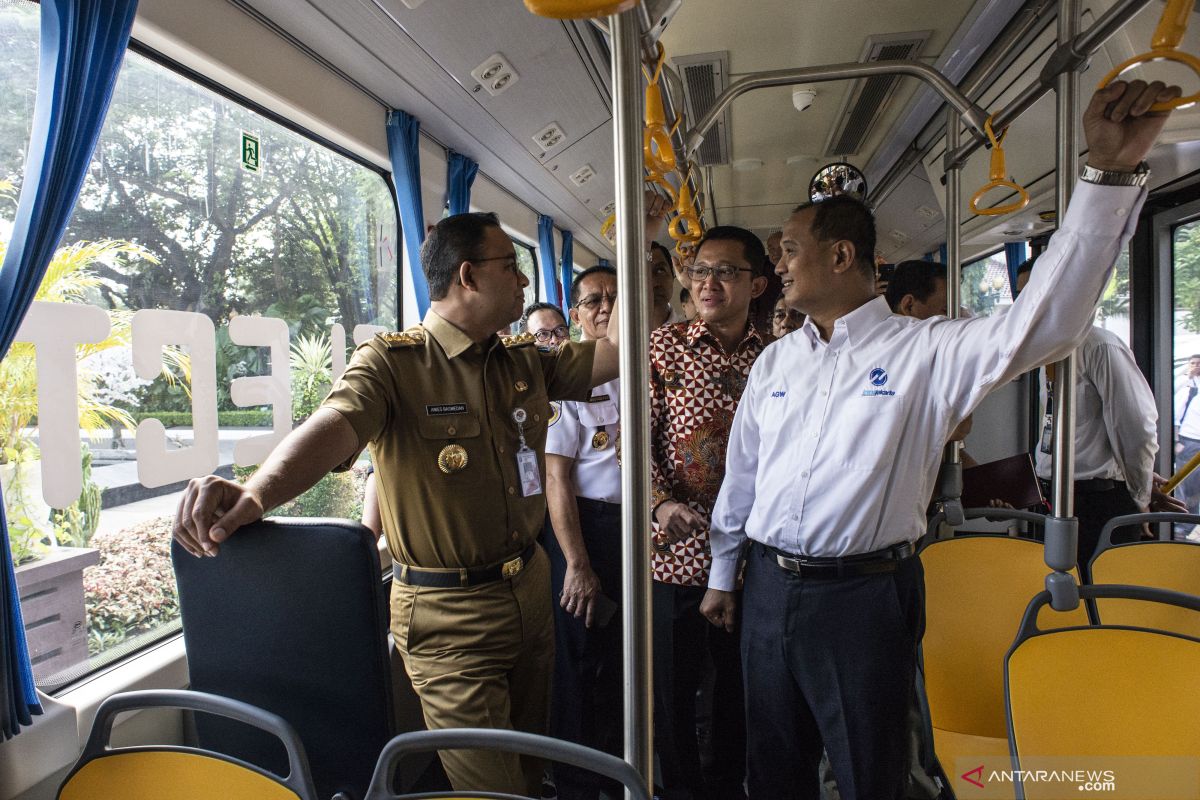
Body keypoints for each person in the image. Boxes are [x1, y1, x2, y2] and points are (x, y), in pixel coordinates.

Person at [699, 80, 1180, 800]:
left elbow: (1044, 323)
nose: (778, 267)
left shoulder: (927, 353)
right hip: (768, 587)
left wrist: (1106, 176)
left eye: (789, 250)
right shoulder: (779, 359)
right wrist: (722, 572)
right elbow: (745, 475)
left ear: (840, 257)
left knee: (871, 772)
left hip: (863, 595)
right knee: (772, 769)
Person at [172, 208, 647, 797]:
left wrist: (636, 244)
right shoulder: (393, 365)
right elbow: (335, 424)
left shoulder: (523, 359)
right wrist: (255, 493)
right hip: (449, 616)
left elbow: (616, 352)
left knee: (528, 771)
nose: (524, 282)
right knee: (489, 790)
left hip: (529, 589)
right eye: (512, 267)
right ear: (468, 277)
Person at [650, 225, 769, 800]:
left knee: (741, 683)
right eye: (700, 271)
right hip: (675, 548)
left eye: (726, 271)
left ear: (758, 282)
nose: (709, 282)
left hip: (754, 550)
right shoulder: (663, 348)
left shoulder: (779, 353)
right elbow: (635, 442)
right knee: (672, 687)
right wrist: (660, 501)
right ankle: (680, 790)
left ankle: (728, 783)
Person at [1015, 257, 1186, 557]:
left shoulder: (1100, 347)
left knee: (1098, 594)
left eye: (1035, 292)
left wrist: (1140, 491)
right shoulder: (1047, 354)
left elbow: (1136, 428)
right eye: (1022, 296)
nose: (1026, 305)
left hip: (1099, 502)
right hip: (1054, 497)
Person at [542, 264, 623, 800]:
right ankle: (575, 783)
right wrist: (577, 563)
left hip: (640, 529)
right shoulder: (566, 380)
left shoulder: (644, 366)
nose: (603, 308)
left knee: (625, 659)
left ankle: (622, 765)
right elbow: (557, 478)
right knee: (578, 663)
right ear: (575, 315)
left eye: (613, 299)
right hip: (586, 529)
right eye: (592, 300)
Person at [1173, 353, 1200, 529]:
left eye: (1198, 363)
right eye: (1192, 363)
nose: (1196, 366)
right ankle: (1183, 525)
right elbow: (1175, 412)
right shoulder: (1185, 386)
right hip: (1189, 440)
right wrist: (1176, 439)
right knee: (1184, 483)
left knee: (1196, 485)